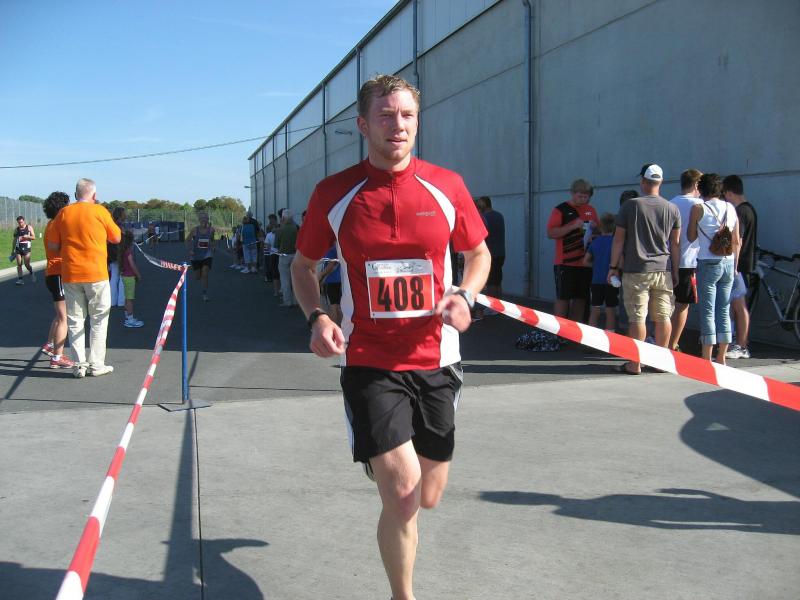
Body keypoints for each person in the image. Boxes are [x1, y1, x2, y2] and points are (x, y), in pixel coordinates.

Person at [291, 74, 490, 600]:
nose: (397, 125)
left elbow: (478, 254)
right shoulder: (334, 193)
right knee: (402, 495)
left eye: (406, 115)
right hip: (369, 360)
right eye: (385, 115)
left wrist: (465, 295)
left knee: (428, 495)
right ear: (363, 125)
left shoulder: (447, 186)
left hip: (438, 359)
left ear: (417, 123)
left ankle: (386, 455)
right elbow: (302, 267)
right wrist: (318, 317)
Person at [609, 164, 680, 375]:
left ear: (642, 181)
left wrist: (613, 267)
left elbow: (618, 240)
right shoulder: (672, 208)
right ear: (660, 182)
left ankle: (635, 363)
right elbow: (675, 243)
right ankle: (660, 362)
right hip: (664, 269)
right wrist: (676, 271)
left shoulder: (630, 206)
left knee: (637, 317)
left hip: (636, 269)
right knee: (663, 316)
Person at [49, 178, 121, 378]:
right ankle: (96, 364)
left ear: (75, 195)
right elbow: (116, 237)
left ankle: (79, 365)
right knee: (99, 320)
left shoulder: (64, 213)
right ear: (94, 195)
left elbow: (53, 245)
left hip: (71, 274)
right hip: (97, 274)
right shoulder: (100, 211)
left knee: (75, 321)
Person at [687, 173, 740, 365]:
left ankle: (706, 357)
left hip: (708, 262)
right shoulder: (730, 208)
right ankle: (722, 356)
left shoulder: (698, 208)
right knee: (724, 309)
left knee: (707, 310)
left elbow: (691, 236)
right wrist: (735, 266)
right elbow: (736, 240)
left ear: (701, 189)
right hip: (728, 262)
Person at [546, 178, 600, 323]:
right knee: (563, 297)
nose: (583, 200)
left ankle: (575, 329)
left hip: (585, 262)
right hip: (565, 263)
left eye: (586, 197)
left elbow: (600, 233)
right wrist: (572, 226)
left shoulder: (591, 210)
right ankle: (559, 329)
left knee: (581, 297)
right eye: (580, 196)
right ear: (572, 193)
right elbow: (551, 233)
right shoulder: (560, 210)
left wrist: (596, 229)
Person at [668, 169, 703, 351]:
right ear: (696, 185)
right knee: (682, 305)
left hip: (666, 261)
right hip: (688, 261)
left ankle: (659, 340)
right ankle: (672, 344)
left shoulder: (669, 204)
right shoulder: (700, 205)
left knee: (664, 305)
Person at [723, 174, 757, 359]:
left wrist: (733, 264)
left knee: (738, 306)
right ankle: (739, 343)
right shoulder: (750, 209)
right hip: (746, 263)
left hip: (739, 265)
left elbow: (738, 240)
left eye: (724, 194)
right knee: (737, 306)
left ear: (729, 192)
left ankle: (742, 345)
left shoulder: (740, 212)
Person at [41, 192, 74, 369]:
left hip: (54, 273)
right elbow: (58, 247)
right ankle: (57, 357)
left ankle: (50, 345)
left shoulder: (51, 223)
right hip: (57, 273)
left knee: (60, 315)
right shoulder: (57, 225)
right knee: (64, 317)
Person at [583, 212, 618, 331]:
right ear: (614, 227)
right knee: (610, 311)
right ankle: (610, 338)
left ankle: (590, 337)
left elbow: (585, 261)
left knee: (595, 310)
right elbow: (621, 261)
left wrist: (597, 265)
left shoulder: (595, 242)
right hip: (612, 281)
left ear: (600, 227)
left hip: (596, 281)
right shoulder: (616, 242)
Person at [473, 195, 505, 320]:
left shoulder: (485, 218)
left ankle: (492, 307)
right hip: (501, 252)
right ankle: (499, 306)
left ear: (484, 205)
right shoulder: (499, 215)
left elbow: (481, 235)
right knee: (497, 279)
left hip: (490, 253)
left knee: (491, 281)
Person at [186, 212, 215, 301]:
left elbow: (212, 239)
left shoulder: (211, 230)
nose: (204, 220)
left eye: (205, 219)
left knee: (205, 273)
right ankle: (192, 268)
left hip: (207, 254)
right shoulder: (195, 230)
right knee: (198, 276)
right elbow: (187, 240)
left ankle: (205, 294)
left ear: (208, 220)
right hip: (195, 255)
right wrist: (190, 250)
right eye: (202, 219)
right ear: (199, 220)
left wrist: (213, 246)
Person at [118, 230, 144, 327]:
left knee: (127, 298)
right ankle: (130, 319)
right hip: (129, 277)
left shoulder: (122, 250)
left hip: (125, 275)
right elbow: (132, 264)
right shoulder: (128, 252)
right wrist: (138, 275)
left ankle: (127, 316)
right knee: (129, 299)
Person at [276, 209, 299, 306]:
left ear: (283, 218)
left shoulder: (280, 229)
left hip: (284, 255)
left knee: (285, 279)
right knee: (295, 279)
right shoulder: (297, 228)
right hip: (295, 255)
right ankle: (296, 300)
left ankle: (287, 301)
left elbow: (276, 244)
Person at [317, 246, 342, 324]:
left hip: (332, 280)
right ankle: (341, 326)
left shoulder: (331, 249)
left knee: (333, 306)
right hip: (340, 279)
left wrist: (321, 275)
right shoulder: (338, 247)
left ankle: (334, 326)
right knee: (338, 305)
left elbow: (331, 264)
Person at [108, 207, 126, 308]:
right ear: (120, 215)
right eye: (124, 213)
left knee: (114, 277)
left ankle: (112, 301)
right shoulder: (119, 226)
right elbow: (122, 241)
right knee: (122, 277)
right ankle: (121, 301)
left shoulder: (111, 224)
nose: (125, 215)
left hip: (112, 254)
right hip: (119, 254)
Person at [12, 215, 36, 285]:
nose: (20, 224)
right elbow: (14, 240)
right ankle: (20, 279)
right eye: (19, 223)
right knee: (19, 264)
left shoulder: (29, 227)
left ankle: (31, 272)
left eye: (21, 222)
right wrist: (12, 250)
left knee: (26, 264)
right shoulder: (16, 229)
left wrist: (28, 236)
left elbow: (34, 237)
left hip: (26, 248)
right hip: (18, 248)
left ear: (24, 221)